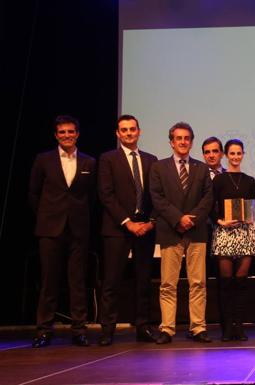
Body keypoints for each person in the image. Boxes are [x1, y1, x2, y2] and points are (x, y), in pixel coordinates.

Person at [29, 115, 96, 348]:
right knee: (49, 281)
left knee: (77, 281)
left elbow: (92, 197)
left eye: (71, 132)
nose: (67, 136)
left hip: (78, 229)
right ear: (56, 135)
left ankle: (79, 330)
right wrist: (46, 218)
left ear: (77, 134)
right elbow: (34, 193)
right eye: (62, 132)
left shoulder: (89, 162)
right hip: (50, 229)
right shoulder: (43, 160)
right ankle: (44, 330)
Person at [149, 122, 213, 344]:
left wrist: (191, 219)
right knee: (168, 283)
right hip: (170, 231)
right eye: (178, 138)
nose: (183, 142)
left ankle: (198, 327)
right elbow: (157, 198)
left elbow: (208, 199)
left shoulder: (202, 168)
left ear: (191, 142)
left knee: (198, 283)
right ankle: (167, 328)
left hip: (196, 232)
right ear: (171, 142)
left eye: (187, 138)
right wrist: (178, 219)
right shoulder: (159, 167)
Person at [97, 115, 158, 346]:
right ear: (118, 133)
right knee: (112, 281)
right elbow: (106, 195)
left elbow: (156, 195)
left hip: (145, 228)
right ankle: (107, 330)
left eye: (132, 129)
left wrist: (151, 222)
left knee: (143, 281)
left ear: (139, 131)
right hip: (117, 229)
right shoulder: (107, 159)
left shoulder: (151, 159)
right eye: (124, 130)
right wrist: (127, 222)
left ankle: (143, 327)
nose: (129, 133)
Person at [211, 139, 255, 341]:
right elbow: (211, 206)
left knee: (241, 282)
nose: (236, 157)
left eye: (239, 153)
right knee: (226, 283)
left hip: (244, 233)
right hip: (224, 233)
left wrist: (249, 217)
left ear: (243, 154)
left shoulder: (250, 180)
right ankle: (227, 328)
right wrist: (220, 221)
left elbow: (252, 207)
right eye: (232, 153)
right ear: (225, 155)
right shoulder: (218, 180)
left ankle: (239, 326)